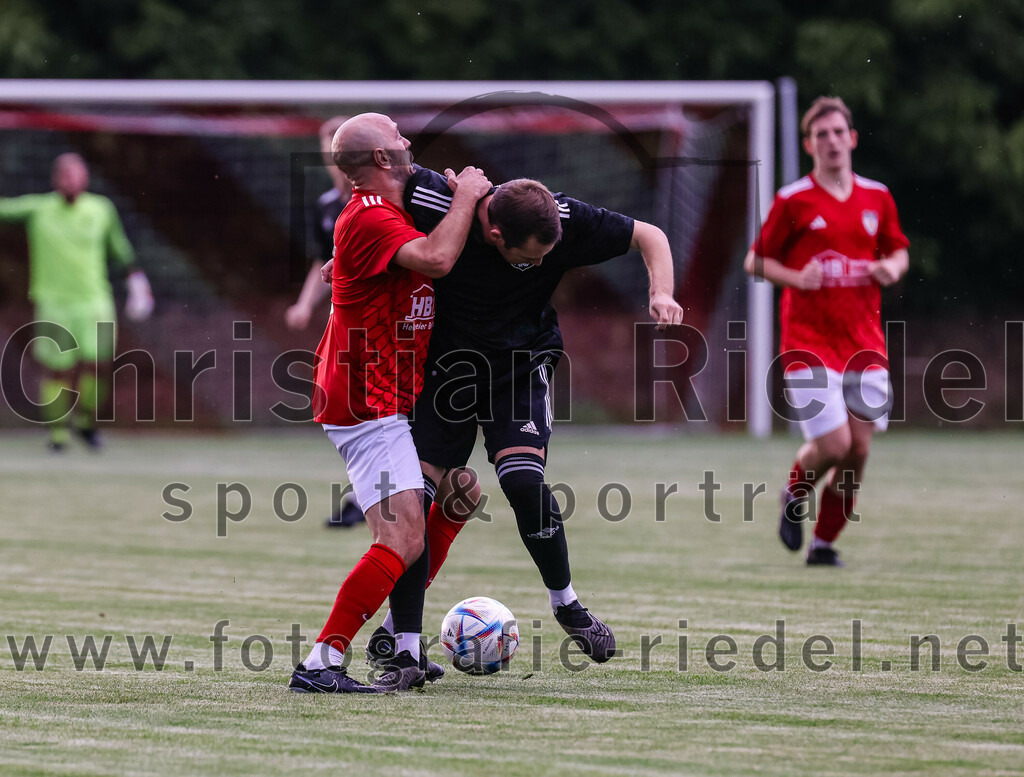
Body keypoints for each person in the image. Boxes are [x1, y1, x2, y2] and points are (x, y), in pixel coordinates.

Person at [328, 169, 684, 667]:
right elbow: (376, 197)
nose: (541, 265)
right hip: (446, 372)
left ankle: (567, 604)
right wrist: (347, 259)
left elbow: (650, 235)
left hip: (520, 365)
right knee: (416, 503)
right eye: (530, 258)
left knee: (522, 481)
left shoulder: (563, 217)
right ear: (495, 234)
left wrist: (661, 293)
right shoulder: (436, 199)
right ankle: (400, 641)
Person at [287, 113, 491, 694]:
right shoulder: (373, 214)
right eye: (397, 137)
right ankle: (321, 664)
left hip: (384, 398)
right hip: (365, 401)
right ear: (381, 159)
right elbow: (437, 259)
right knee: (400, 537)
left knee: (459, 493)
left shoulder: (384, 212)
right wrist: (468, 195)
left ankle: (401, 645)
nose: (407, 142)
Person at [743, 96, 910, 566]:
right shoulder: (793, 199)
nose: (832, 141)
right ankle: (794, 493)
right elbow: (755, 261)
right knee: (835, 445)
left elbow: (898, 250)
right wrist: (798, 278)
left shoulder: (877, 196)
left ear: (852, 139)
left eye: (839, 132)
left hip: (865, 345)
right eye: (822, 134)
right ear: (809, 144)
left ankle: (823, 545)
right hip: (809, 345)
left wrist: (892, 268)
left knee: (858, 452)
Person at [0, 152, 153, 450]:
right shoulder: (39, 209)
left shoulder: (101, 209)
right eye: (65, 175)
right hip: (54, 304)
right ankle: (57, 435)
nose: (70, 180)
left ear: (85, 178)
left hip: (96, 301)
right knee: (57, 371)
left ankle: (85, 423)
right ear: (55, 180)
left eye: (76, 174)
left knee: (99, 364)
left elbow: (118, 246)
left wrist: (137, 280)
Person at [282, 116, 365, 528]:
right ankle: (364, 494)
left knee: (385, 414)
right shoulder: (327, 206)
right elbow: (324, 262)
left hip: (388, 324)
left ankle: (374, 495)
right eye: (327, 152)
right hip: (346, 326)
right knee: (347, 411)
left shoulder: (383, 201)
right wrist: (304, 304)